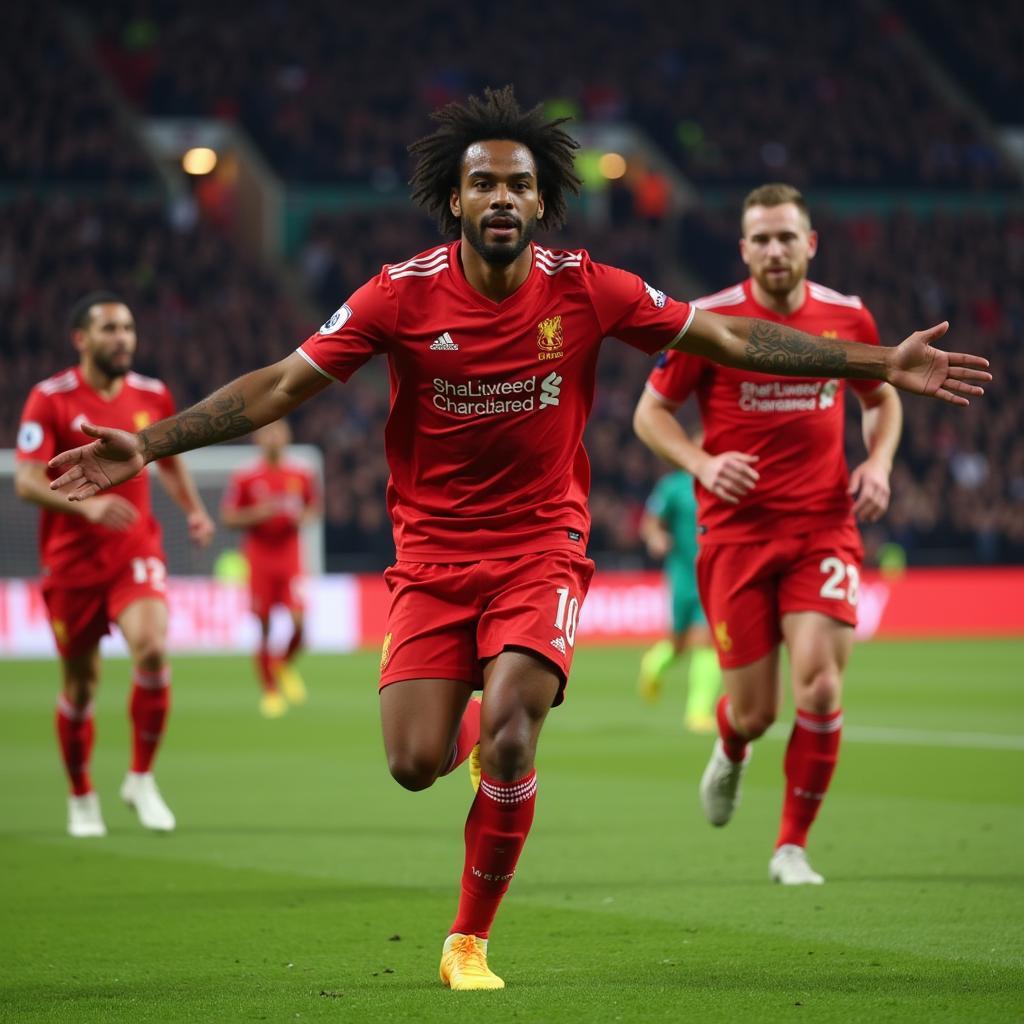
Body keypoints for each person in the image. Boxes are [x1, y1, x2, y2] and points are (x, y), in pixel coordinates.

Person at [44, 91, 988, 987]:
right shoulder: (398, 296)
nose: (503, 197)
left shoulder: (590, 288)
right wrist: (153, 444)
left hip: (543, 546)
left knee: (510, 734)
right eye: (485, 183)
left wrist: (879, 364)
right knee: (415, 764)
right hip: (432, 557)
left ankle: (468, 938)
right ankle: (471, 718)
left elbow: (732, 341)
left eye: (521, 184)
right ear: (454, 198)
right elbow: (278, 388)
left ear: (545, 200)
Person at [634, 182, 905, 886]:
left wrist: (877, 461)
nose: (776, 249)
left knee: (819, 684)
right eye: (762, 238)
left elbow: (882, 398)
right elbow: (650, 414)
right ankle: (731, 745)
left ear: (810, 243)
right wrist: (701, 460)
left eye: (788, 236)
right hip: (734, 537)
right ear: (744, 249)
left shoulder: (848, 318)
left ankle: (791, 847)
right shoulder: (710, 321)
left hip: (822, 527)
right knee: (755, 712)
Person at [14, 292, 215, 838]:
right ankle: (81, 796)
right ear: (81, 339)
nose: (122, 337)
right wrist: (90, 503)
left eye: (128, 327)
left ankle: (141, 778)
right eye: (108, 328)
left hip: (134, 549)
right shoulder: (48, 399)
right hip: (71, 563)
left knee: (151, 646)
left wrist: (194, 511)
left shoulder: (153, 394)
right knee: (81, 687)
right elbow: (27, 480)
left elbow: (167, 461)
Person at [221, 419, 320, 718]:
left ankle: (282, 665)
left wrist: (302, 516)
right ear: (258, 439)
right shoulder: (246, 477)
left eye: (279, 431)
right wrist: (256, 514)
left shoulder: (300, 473)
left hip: (290, 556)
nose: (274, 437)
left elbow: (313, 507)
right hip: (259, 557)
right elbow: (228, 517)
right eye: (268, 432)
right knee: (263, 625)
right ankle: (270, 691)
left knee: (300, 624)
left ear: (287, 436)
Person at [637, 469, 721, 733]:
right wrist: (655, 537)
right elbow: (650, 521)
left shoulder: (723, 483)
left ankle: (698, 712)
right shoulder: (674, 486)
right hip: (682, 575)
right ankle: (654, 663)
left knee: (706, 639)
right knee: (679, 643)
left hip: (715, 574)